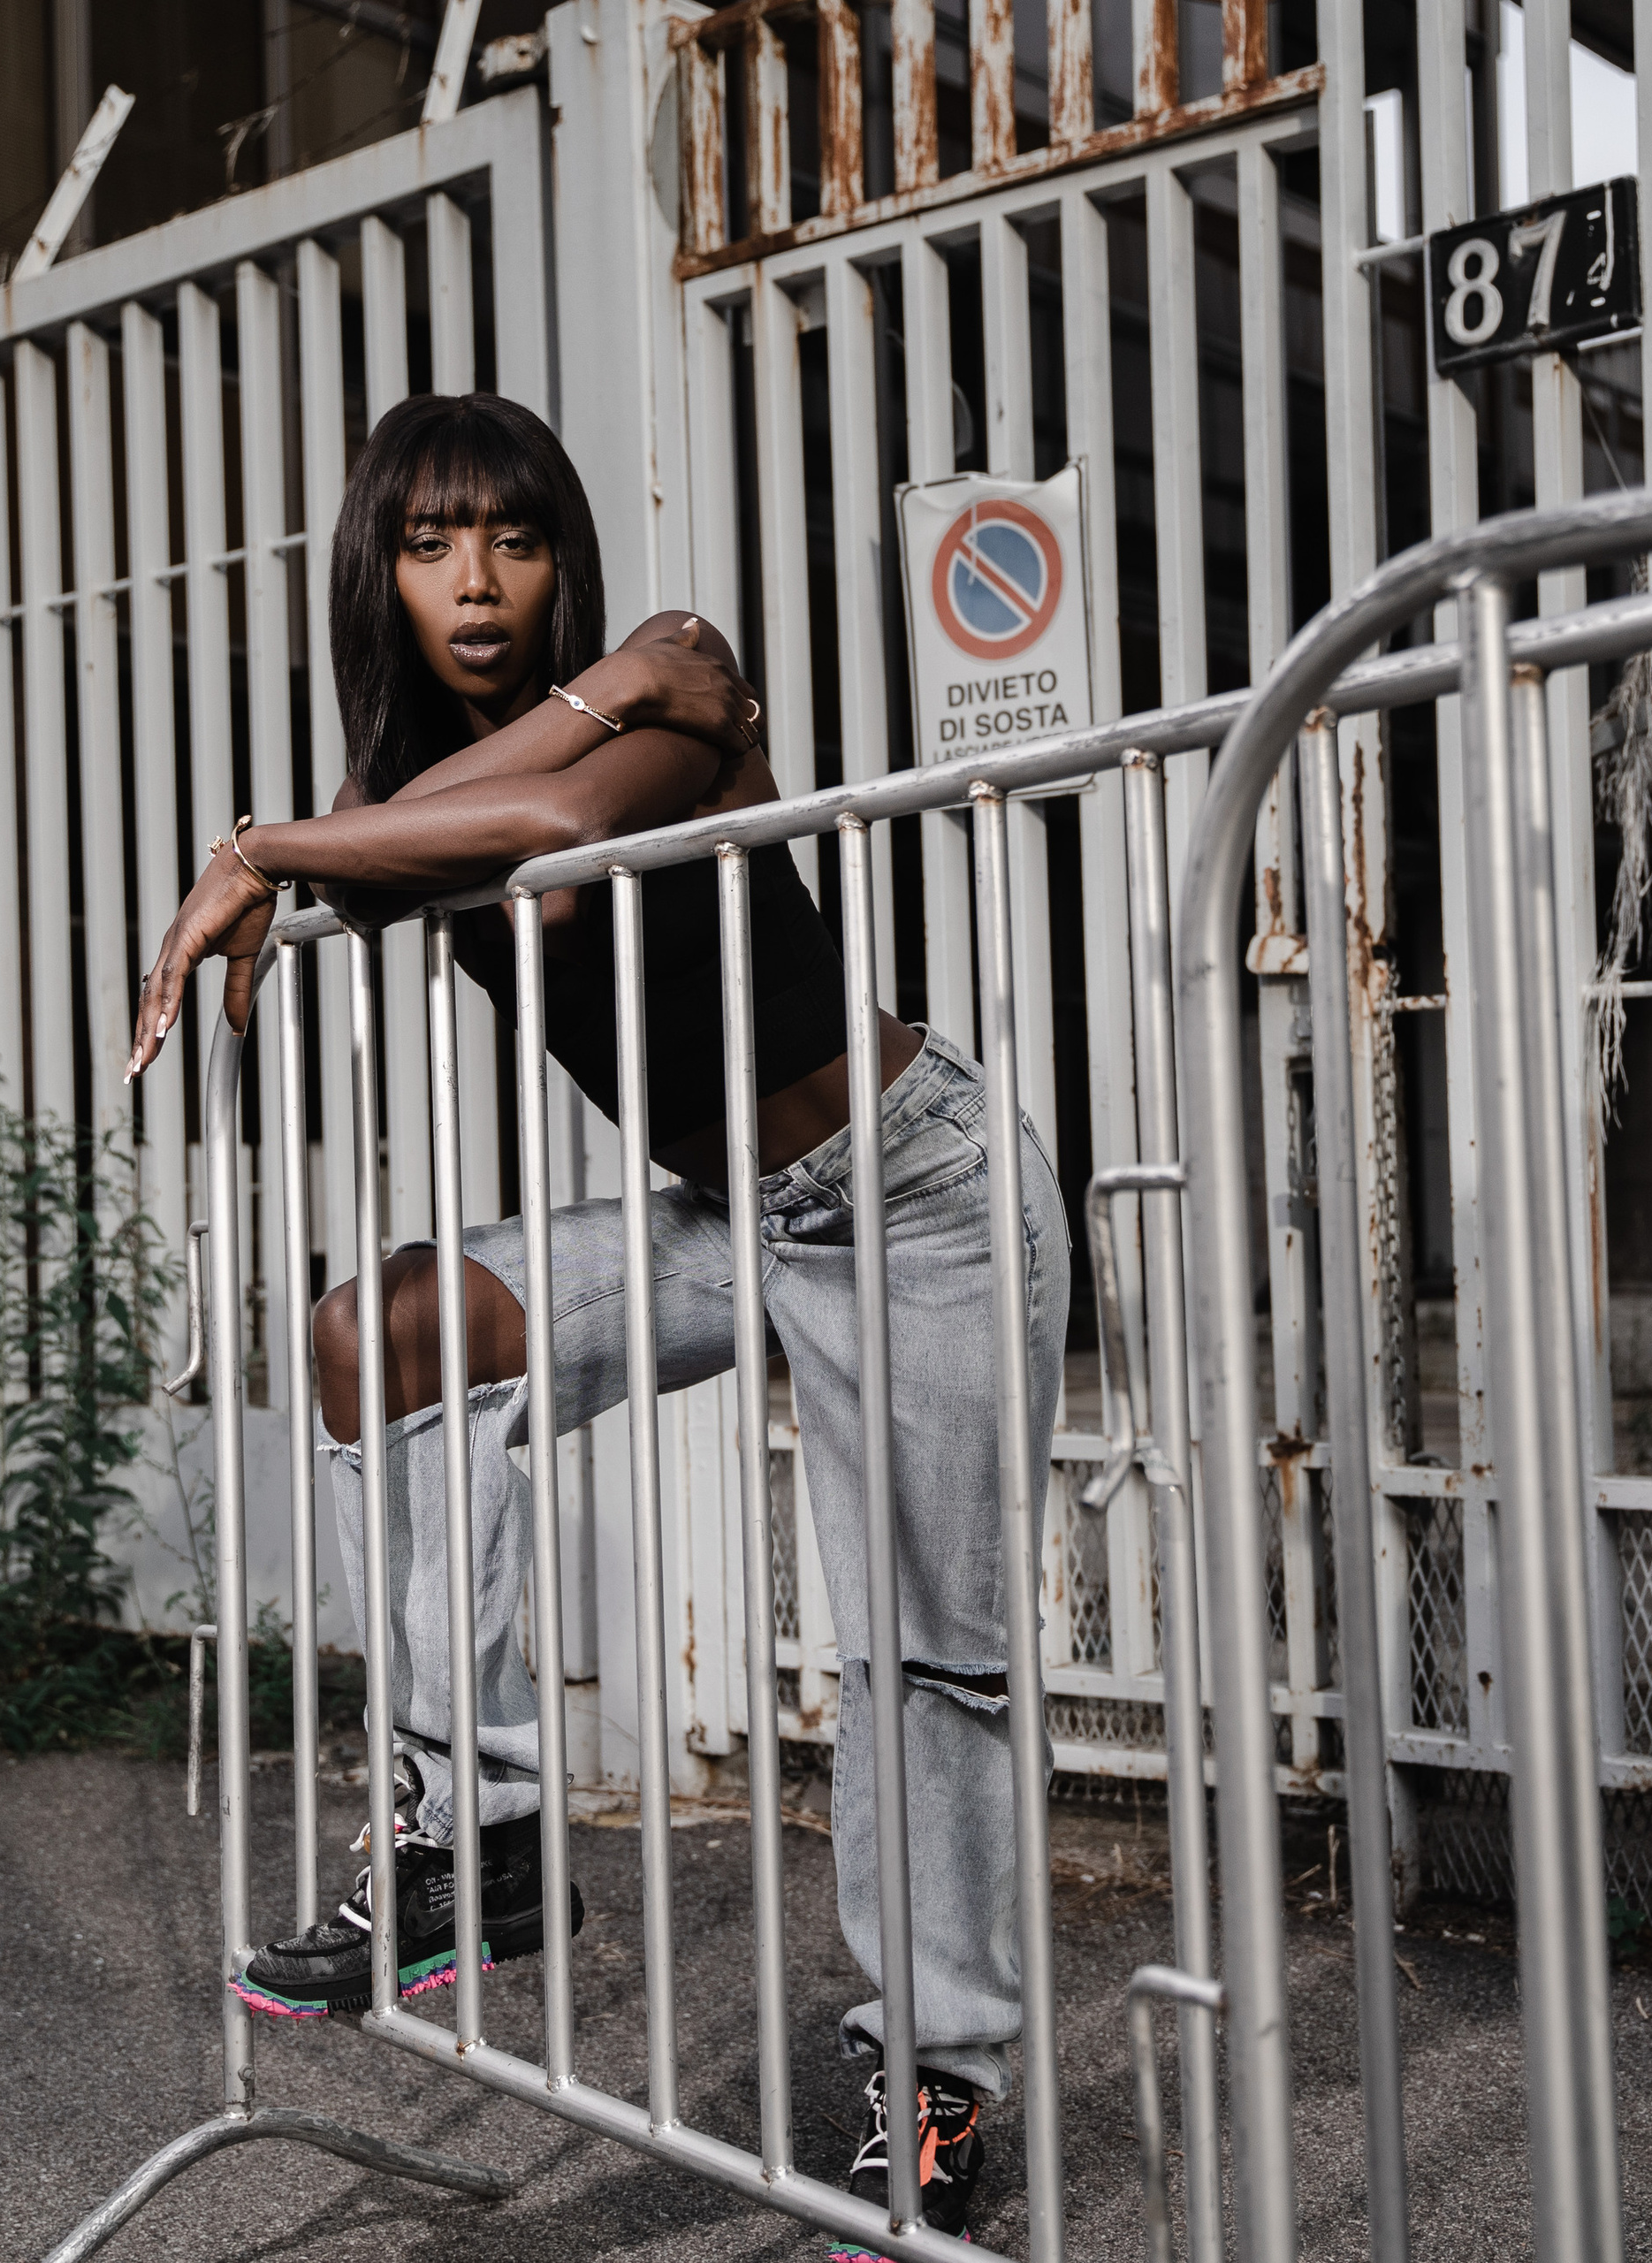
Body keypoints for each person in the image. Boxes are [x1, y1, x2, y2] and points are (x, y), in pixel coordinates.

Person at [126, 391, 1069, 2243]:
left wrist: (269, 844)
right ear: (376, 574)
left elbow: (556, 818)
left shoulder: (660, 712)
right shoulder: (420, 791)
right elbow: (411, 826)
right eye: (428, 544)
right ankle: (470, 1841)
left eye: (515, 539)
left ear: (566, 554)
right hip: (735, 1216)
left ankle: (940, 2079)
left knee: (917, 1658)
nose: (475, 583)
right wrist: (293, 843)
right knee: (372, 1336)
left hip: (919, 1197)